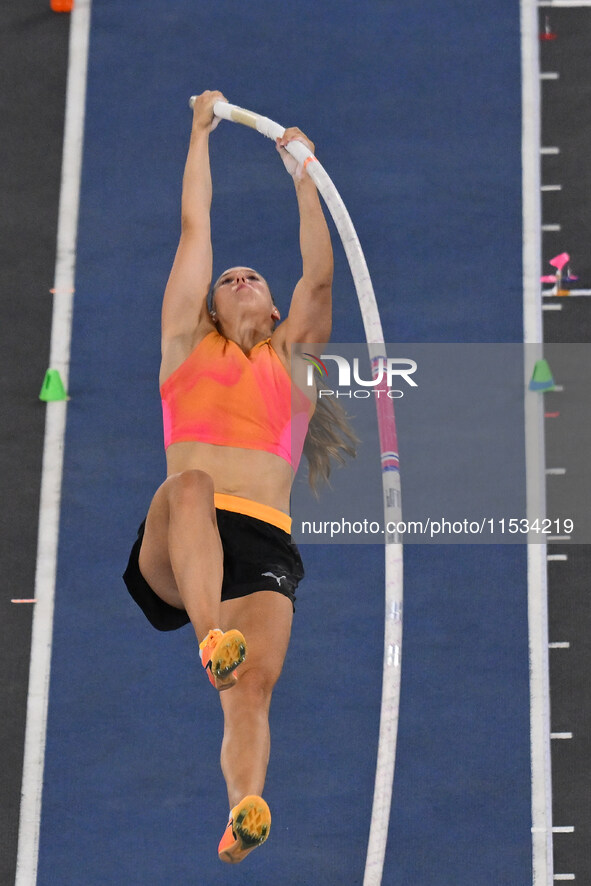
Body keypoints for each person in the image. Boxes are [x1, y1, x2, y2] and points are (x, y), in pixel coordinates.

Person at [123, 89, 352, 864]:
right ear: (211, 308)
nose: (242, 275)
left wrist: (304, 180)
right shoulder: (186, 346)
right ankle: (208, 636)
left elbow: (317, 283)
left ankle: (243, 806)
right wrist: (199, 132)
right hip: (178, 542)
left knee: (250, 690)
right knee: (188, 486)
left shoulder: (295, 362)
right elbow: (196, 229)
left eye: (253, 275)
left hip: (263, 545)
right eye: (230, 278)